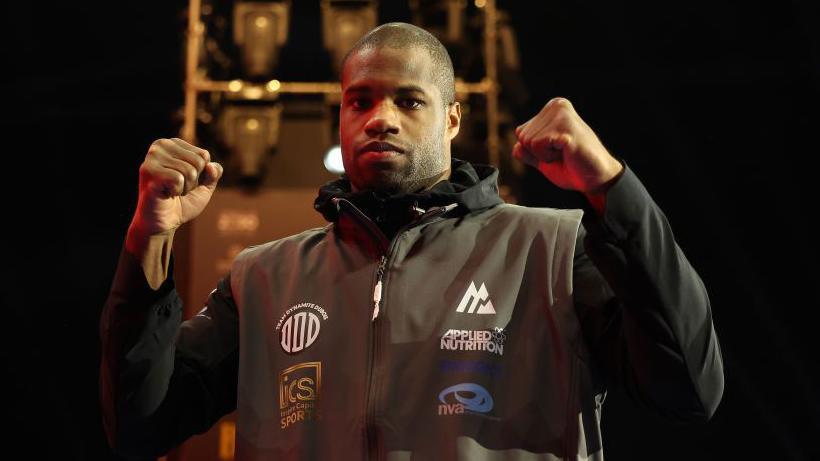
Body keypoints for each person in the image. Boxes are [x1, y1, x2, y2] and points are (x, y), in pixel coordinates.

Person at [100, 22, 724, 461]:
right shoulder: (263, 277)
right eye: (360, 100)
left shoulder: (552, 249)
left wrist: (612, 187)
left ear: (452, 118)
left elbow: (689, 388)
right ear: (341, 117)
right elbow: (140, 426)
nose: (381, 118)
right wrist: (149, 239)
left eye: (409, 99)